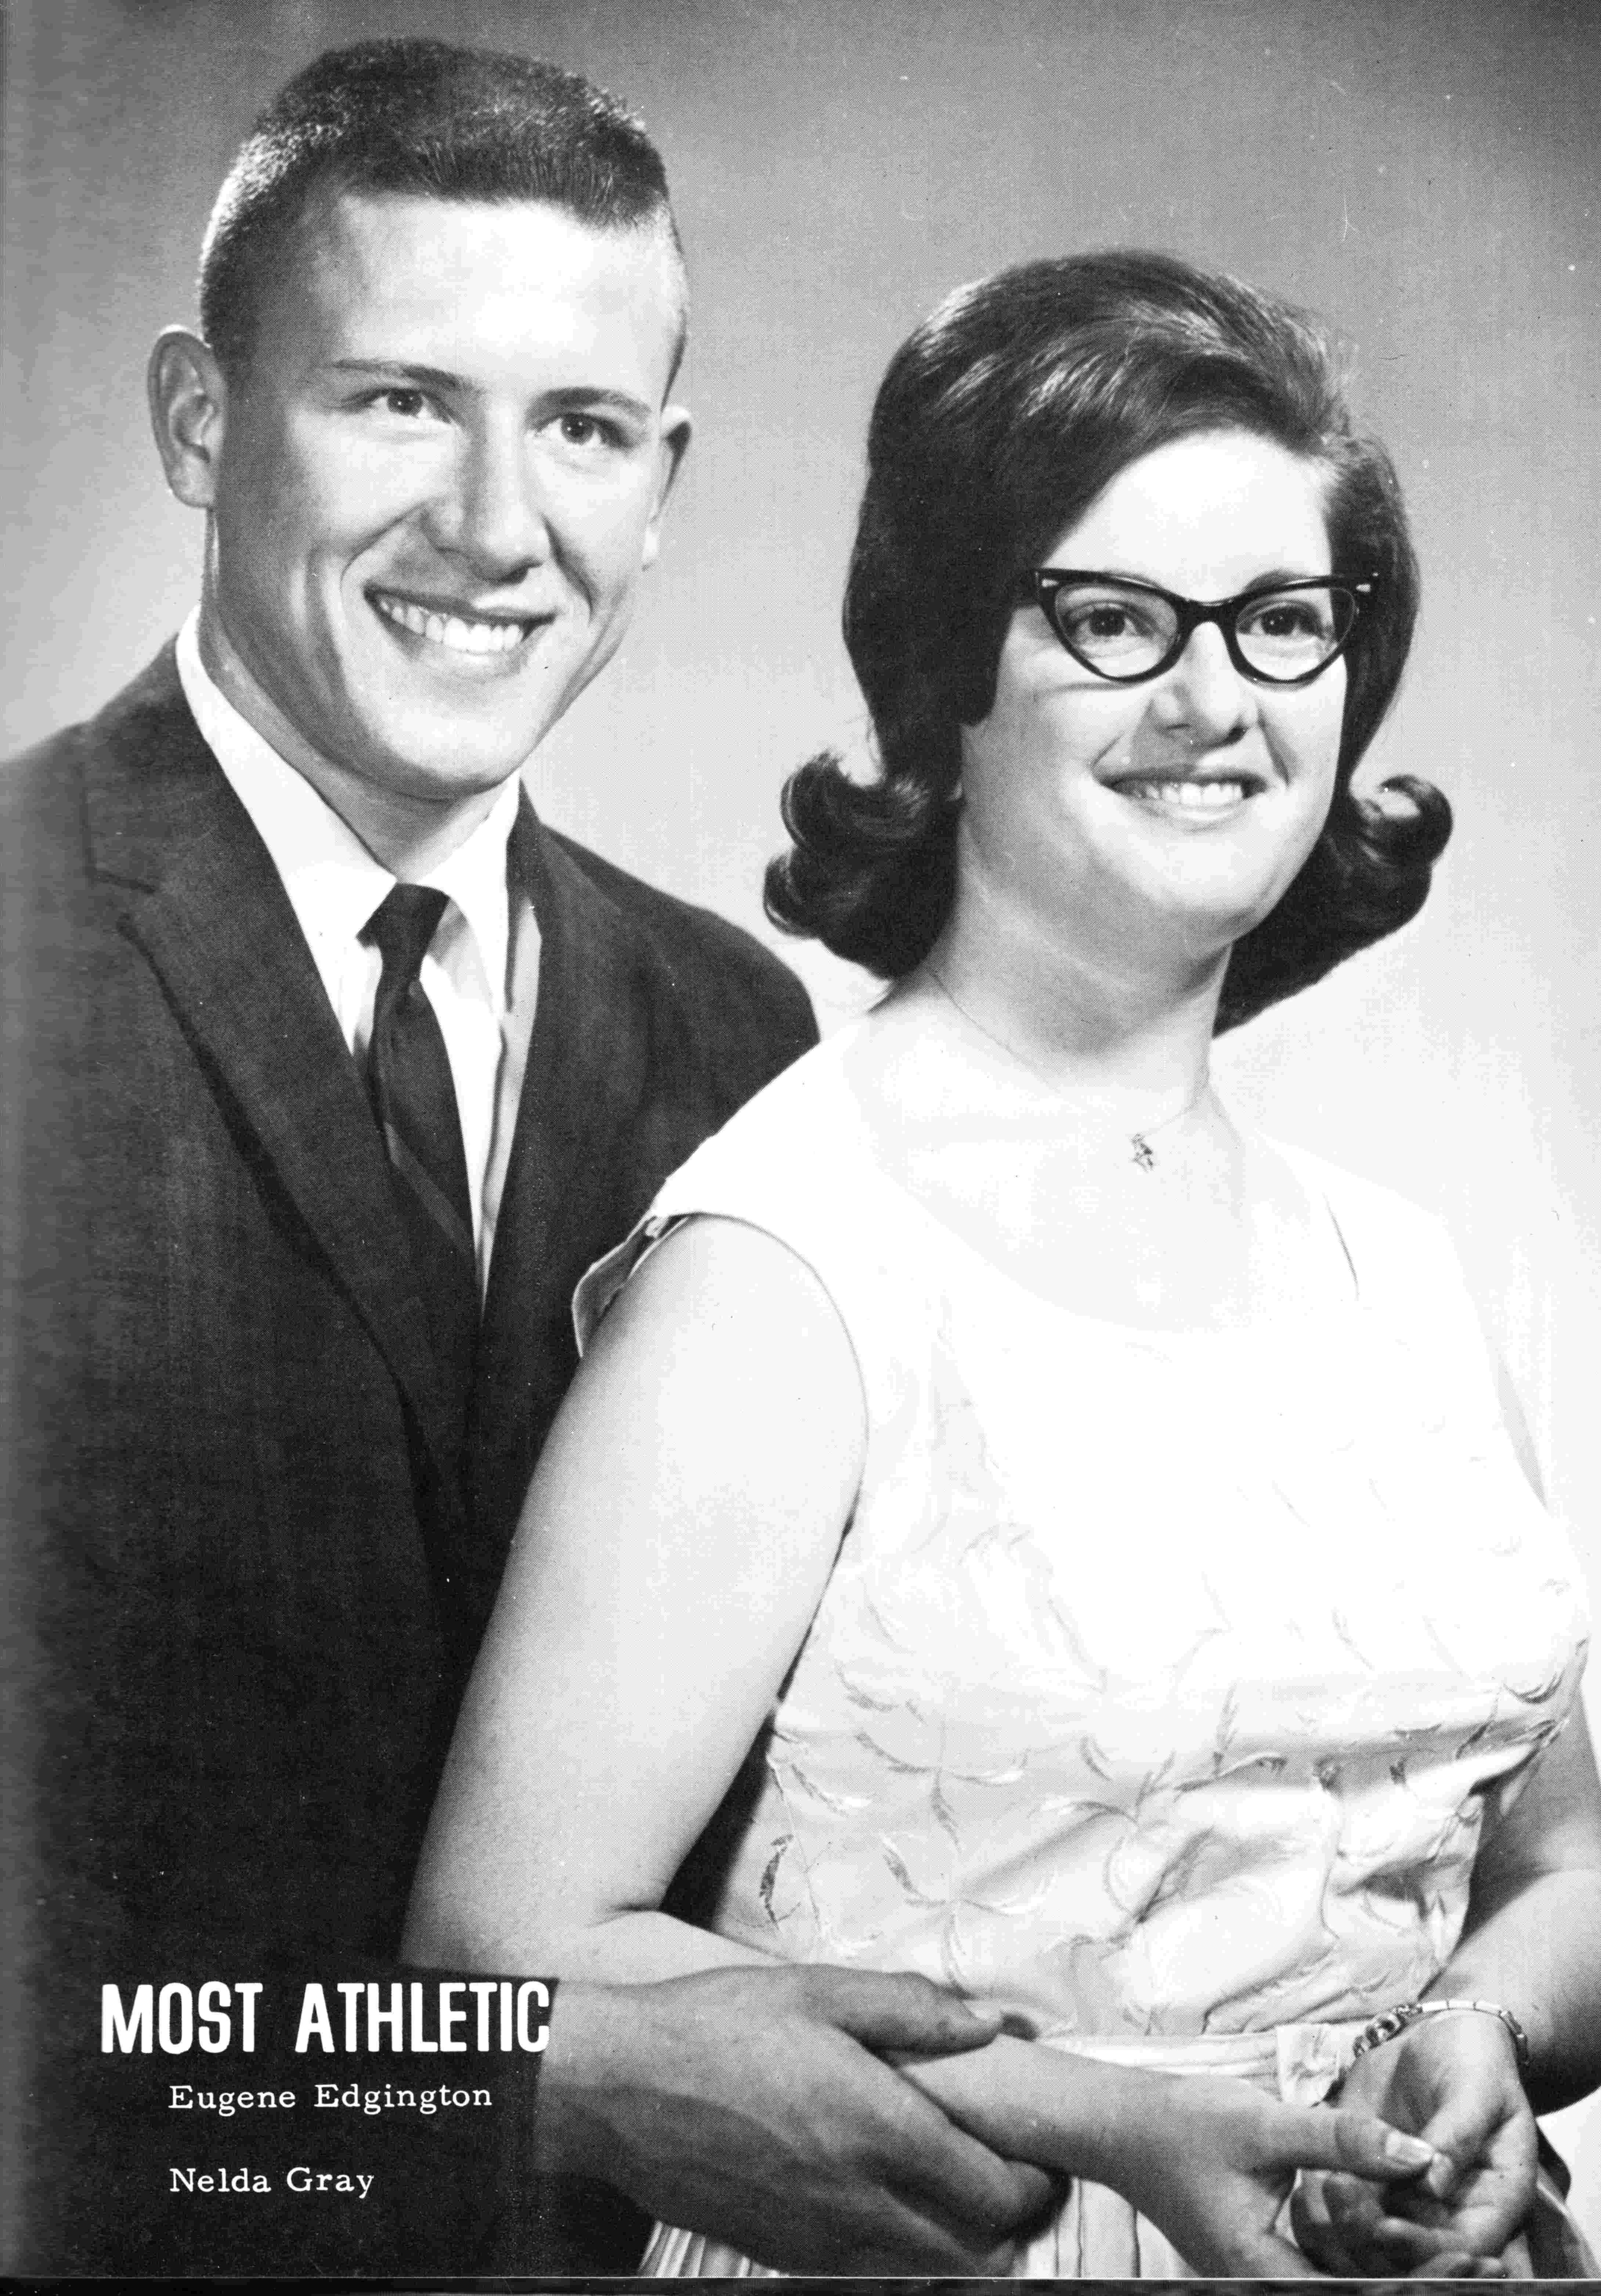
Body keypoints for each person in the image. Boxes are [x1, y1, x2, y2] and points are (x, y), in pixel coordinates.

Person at [407, 251, 1601, 2277]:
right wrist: (1107, 2126)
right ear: (945, 674)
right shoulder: (786, 1267)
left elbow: (1560, 1861)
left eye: (1282, 622)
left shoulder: (1397, 1270)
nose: (1213, 702)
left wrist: (1479, 2025)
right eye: (1116, 619)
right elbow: (505, 1960)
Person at [0, 37, 1063, 2280]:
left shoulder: (730, 1030)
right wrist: (504, 2089)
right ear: (197, 421)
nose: (497, 528)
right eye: (401, 401)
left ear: (660, 481)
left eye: (578, 427)